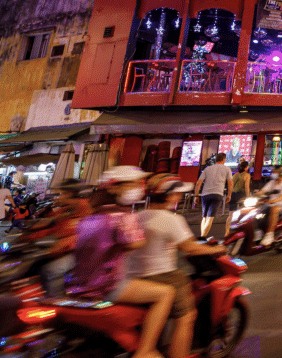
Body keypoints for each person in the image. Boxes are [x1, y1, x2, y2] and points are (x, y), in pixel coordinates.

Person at [68, 166, 174, 358]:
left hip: (78, 284)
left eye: (138, 184)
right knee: (166, 293)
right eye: (132, 184)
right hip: (107, 286)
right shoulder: (122, 217)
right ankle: (146, 350)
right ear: (114, 188)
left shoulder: (89, 217)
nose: (138, 188)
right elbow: (137, 243)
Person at [131, 174, 227, 358]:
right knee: (186, 317)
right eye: (178, 193)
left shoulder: (138, 216)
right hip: (161, 274)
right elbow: (189, 247)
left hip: (133, 276)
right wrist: (215, 250)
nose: (181, 197)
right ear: (169, 196)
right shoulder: (170, 219)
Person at [193, 153, 232, 238]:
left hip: (205, 195)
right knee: (210, 218)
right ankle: (202, 238)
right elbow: (230, 183)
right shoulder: (227, 169)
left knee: (204, 217)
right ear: (223, 159)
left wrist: (196, 195)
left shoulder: (207, 169)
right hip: (217, 194)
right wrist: (229, 195)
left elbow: (198, 183)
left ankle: (202, 237)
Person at [257, 167, 282, 247]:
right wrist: (255, 196)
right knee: (257, 210)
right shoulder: (272, 182)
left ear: (280, 173)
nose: (273, 174)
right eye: (273, 172)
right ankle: (258, 231)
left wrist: (273, 201)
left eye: (275, 172)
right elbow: (263, 191)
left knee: (274, 209)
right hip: (270, 204)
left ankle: (269, 235)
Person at [226, 161, 251, 231]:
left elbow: (230, 185)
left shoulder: (235, 175)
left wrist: (229, 194)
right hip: (241, 195)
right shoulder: (247, 175)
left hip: (232, 195)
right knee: (243, 213)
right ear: (246, 168)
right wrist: (248, 196)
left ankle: (227, 232)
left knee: (230, 215)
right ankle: (239, 230)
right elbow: (247, 187)